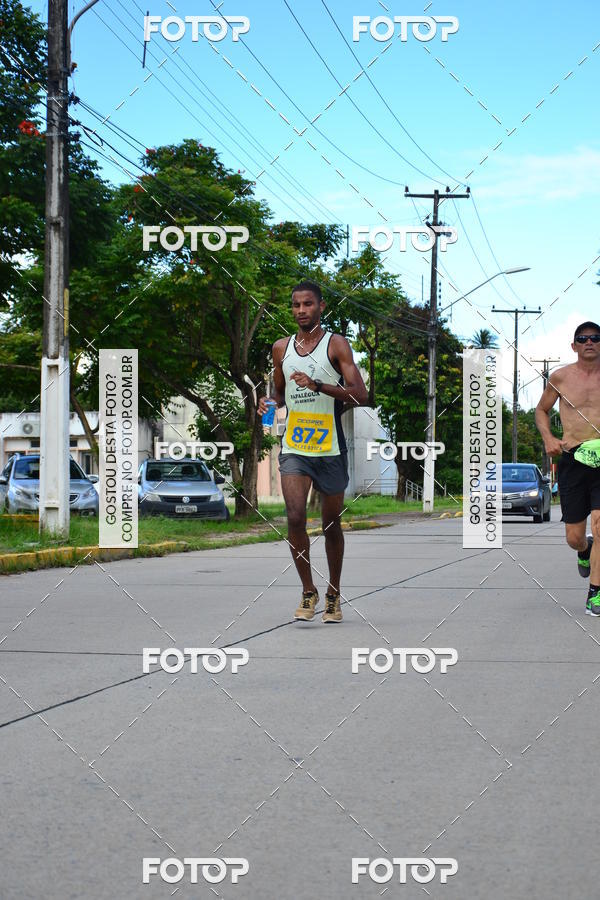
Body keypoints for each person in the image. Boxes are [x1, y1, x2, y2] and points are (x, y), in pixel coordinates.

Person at [258, 280, 369, 623]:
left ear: (321, 307)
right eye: (296, 305)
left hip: (330, 447)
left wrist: (319, 384)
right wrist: (266, 405)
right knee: (294, 518)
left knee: (331, 524)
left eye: (308, 304)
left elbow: (360, 394)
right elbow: (279, 395)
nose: (301, 310)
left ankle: (334, 592)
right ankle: (309, 590)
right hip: (295, 447)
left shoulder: (336, 345)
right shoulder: (281, 348)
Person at [535, 321, 600, 615]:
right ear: (573, 346)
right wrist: (549, 437)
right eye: (583, 338)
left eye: (596, 338)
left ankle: (595, 594)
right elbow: (541, 410)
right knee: (575, 537)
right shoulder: (560, 377)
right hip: (573, 460)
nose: (590, 342)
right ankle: (583, 550)